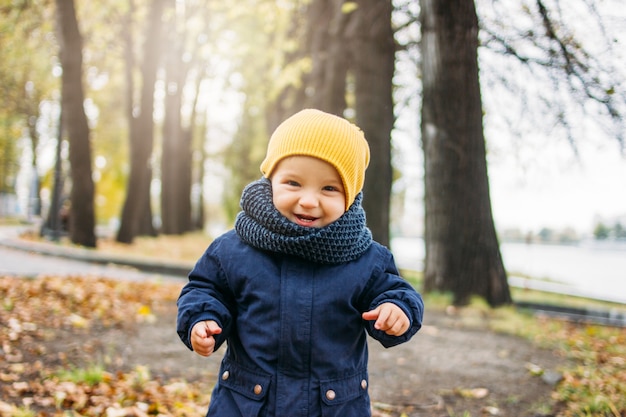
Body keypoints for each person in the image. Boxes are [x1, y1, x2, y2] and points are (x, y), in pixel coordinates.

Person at [177, 108, 424, 417]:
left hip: (333, 407)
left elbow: (397, 292)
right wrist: (201, 319)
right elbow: (205, 289)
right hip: (246, 405)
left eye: (329, 188)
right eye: (293, 183)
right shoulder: (234, 249)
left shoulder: (366, 259)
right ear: (270, 180)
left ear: (350, 197)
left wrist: (396, 310)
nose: (308, 200)